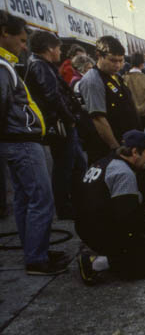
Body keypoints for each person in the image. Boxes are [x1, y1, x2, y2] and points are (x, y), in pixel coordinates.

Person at [0, 11, 68, 275]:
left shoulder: (8, 64)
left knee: (25, 198)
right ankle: (37, 258)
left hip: (16, 141)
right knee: (41, 199)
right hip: (21, 141)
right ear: (4, 33)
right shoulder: (4, 66)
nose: (24, 46)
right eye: (21, 40)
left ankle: (34, 252)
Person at [76, 130, 145, 284]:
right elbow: (128, 219)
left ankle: (97, 251)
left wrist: (139, 207)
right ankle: (96, 263)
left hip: (85, 227)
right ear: (135, 152)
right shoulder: (124, 172)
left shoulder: (102, 162)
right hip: (101, 232)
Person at [25, 30, 84, 220]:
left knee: (76, 164)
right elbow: (53, 96)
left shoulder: (42, 64)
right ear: (50, 49)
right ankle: (65, 207)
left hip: (61, 123)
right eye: (58, 48)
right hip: (60, 126)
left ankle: (73, 203)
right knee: (65, 167)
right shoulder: (40, 66)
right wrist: (70, 119)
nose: (60, 51)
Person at [78, 35, 140, 164]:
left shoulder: (115, 76)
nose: (117, 65)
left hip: (127, 143)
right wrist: (116, 148)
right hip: (109, 149)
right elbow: (99, 119)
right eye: (112, 60)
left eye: (120, 60)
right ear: (98, 55)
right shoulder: (93, 80)